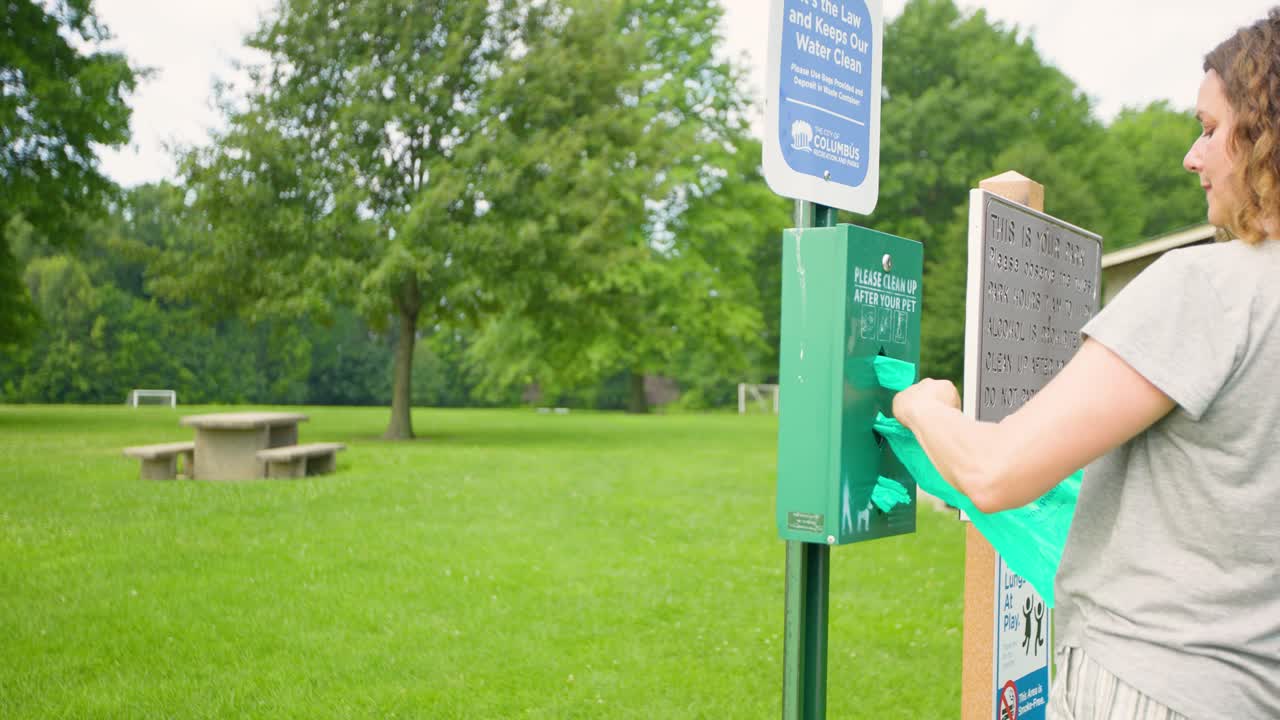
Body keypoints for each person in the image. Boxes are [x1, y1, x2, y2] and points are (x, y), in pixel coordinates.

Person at [891, 11, 1280, 720]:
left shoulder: (1203, 288)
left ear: (1263, 134)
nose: (1192, 157)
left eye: (1209, 128)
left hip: (1152, 684)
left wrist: (923, 409)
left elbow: (995, 471)